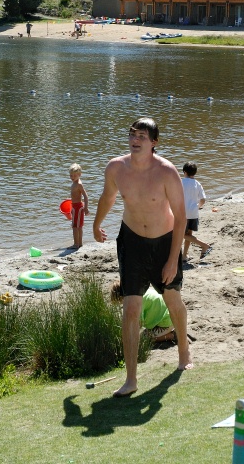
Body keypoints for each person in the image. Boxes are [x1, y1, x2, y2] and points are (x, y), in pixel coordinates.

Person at [93, 117, 193, 397]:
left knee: (172, 300)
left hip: (164, 244)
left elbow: (181, 215)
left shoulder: (166, 171)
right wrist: (96, 223)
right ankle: (131, 379)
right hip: (132, 243)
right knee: (131, 309)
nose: (135, 140)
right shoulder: (116, 167)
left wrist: (174, 259)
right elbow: (108, 197)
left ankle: (184, 353)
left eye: (142, 136)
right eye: (132, 134)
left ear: (154, 143)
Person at [110, 280, 175, 342]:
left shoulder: (135, 302)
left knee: (144, 338)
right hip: (171, 315)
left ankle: (172, 336)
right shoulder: (140, 291)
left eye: (121, 302)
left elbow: (138, 323)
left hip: (166, 321)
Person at [181, 161, 212, 262]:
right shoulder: (197, 183)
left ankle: (204, 245)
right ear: (195, 173)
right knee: (188, 235)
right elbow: (203, 200)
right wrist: (197, 207)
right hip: (193, 213)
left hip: (182, 213)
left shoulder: (180, 182)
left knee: (179, 234)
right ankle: (184, 255)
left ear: (184, 172)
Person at [69, 163, 89, 249]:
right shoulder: (74, 183)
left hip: (78, 207)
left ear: (79, 175)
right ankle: (79, 243)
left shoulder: (79, 184)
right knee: (78, 226)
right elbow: (75, 195)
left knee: (75, 226)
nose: (72, 177)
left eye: (74, 175)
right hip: (74, 206)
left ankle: (76, 244)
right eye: (71, 175)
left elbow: (85, 196)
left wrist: (86, 208)